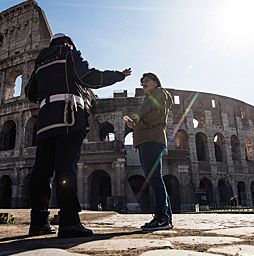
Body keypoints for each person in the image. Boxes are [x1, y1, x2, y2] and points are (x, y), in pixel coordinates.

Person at [25, 33, 131, 238]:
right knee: (66, 169)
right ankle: (69, 221)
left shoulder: (39, 63)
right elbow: (89, 77)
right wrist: (118, 75)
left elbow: (31, 92)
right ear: (68, 43)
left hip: (45, 120)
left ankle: (38, 221)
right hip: (68, 116)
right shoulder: (69, 53)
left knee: (41, 171)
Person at [124, 73, 173, 231]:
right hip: (148, 140)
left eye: (146, 81)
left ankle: (161, 218)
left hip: (151, 140)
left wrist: (136, 126)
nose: (143, 84)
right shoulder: (149, 98)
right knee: (156, 179)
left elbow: (157, 116)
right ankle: (166, 218)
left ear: (156, 82)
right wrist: (134, 124)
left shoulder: (160, 94)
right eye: (141, 82)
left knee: (155, 179)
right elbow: (147, 118)